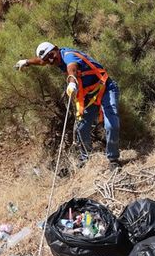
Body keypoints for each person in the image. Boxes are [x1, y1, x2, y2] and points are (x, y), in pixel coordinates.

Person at [15, 42, 121, 171]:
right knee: (82, 129)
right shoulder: (53, 58)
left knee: (111, 125)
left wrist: (72, 83)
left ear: (56, 48)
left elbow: (72, 69)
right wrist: (27, 61)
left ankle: (113, 159)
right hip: (90, 97)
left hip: (106, 88)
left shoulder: (69, 56)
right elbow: (42, 61)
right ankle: (85, 157)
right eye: (47, 58)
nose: (51, 59)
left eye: (51, 55)